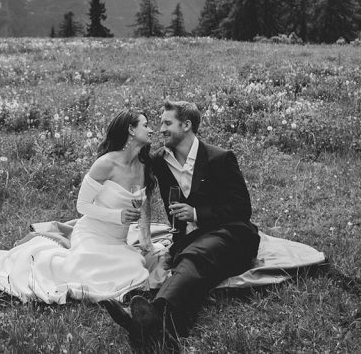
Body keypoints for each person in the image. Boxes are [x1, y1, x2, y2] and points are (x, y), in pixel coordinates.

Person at [101, 100, 260, 351]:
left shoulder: (220, 158)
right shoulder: (160, 161)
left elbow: (242, 209)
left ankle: (152, 318)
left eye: (167, 123)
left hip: (233, 234)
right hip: (189, 240)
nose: (161, 129)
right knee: (188, 262)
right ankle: (159, 330)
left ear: (186, 125)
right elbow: (130, 164)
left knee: (194, 256)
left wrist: (196, 213)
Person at [0, 110, 163, 303]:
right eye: (145, 125)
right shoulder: (106, 164)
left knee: (135, 267)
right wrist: (118, 216)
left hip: (118, 241)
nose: (151, 130)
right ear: (131, 130)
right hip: (93, 235)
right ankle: (42, 266)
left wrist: (146, 240)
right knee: (93, 273)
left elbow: (144, 204)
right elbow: (82, 206)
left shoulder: (143, 165)